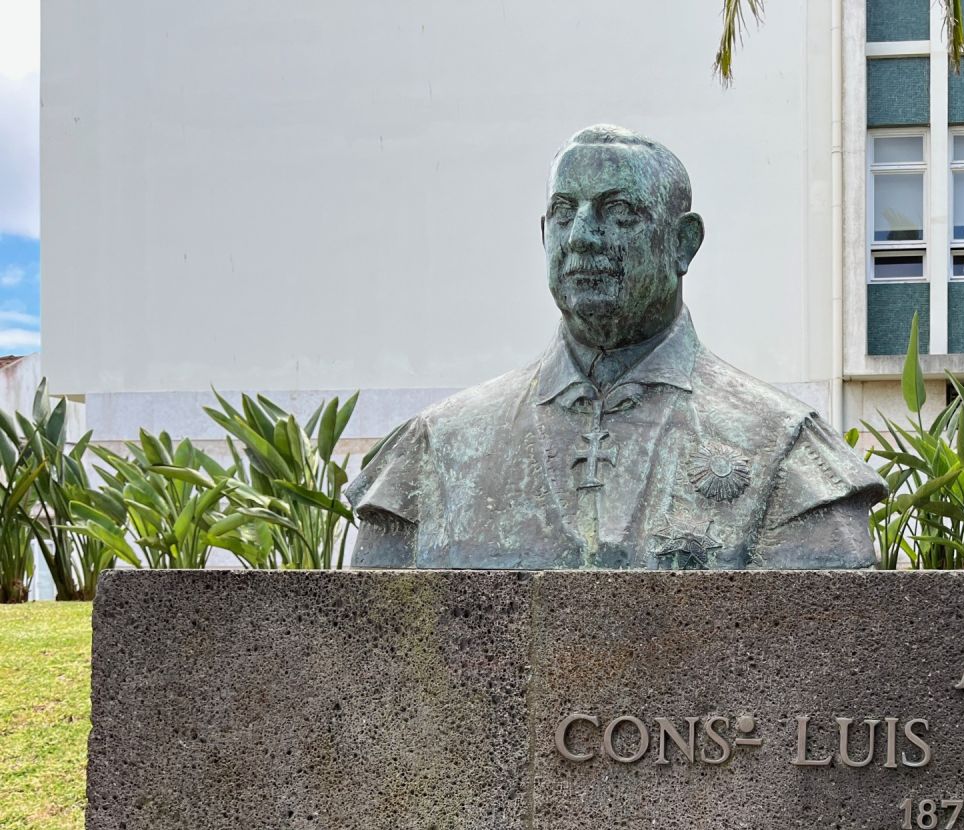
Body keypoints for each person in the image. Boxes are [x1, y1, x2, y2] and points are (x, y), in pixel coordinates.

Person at [348, 124, 885, 569]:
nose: (582, 235)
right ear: (544, 235)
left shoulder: (787, 454)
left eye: (619, 212)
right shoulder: (434, 452)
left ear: (683, 242)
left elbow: (821, 662)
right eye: (564, 212)